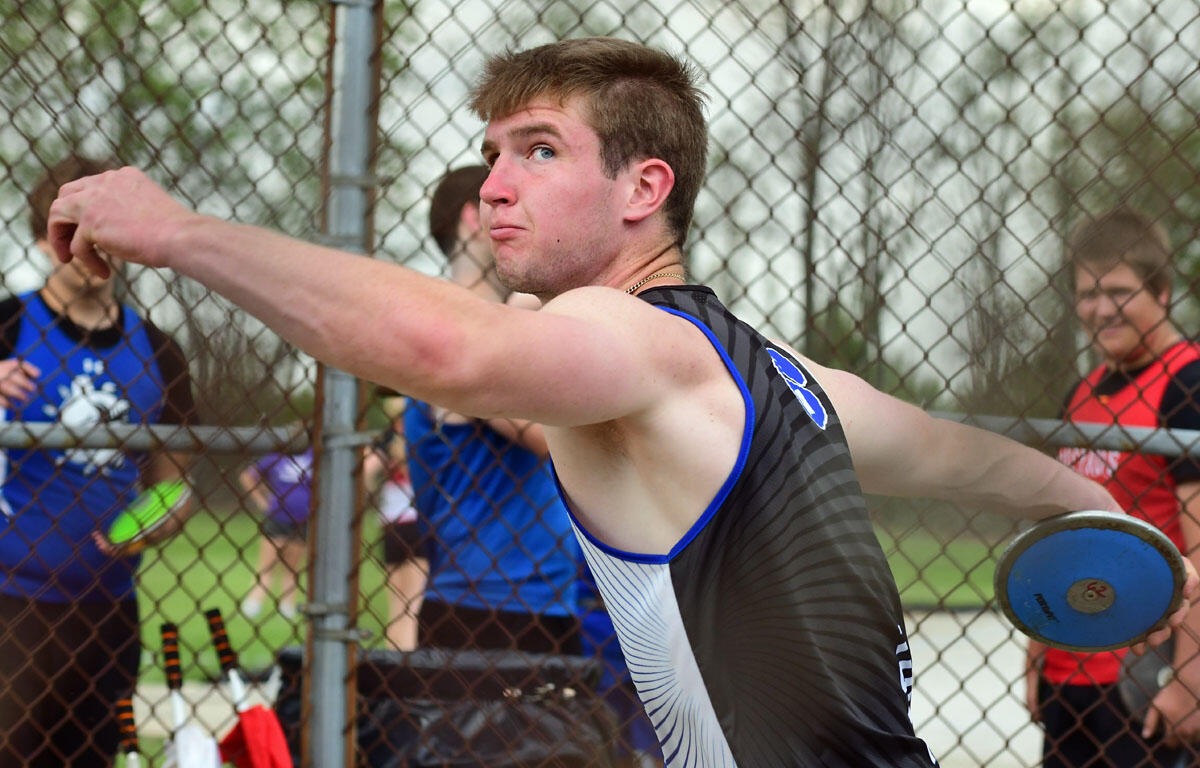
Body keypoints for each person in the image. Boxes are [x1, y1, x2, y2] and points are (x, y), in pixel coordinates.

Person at [45, 38, 1197, 766]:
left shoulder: (618, 336)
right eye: (489, 152)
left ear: (646, 187)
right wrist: (1129, 537)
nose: (496, 184)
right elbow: (969, 458)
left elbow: (445, 347)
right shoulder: (784, 371)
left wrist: (180, 232)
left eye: (538, 151)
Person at [0, 155, 195, 767]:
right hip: (12, 606)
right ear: (42, 239)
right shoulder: (7, 325)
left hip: (108, 609)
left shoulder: (160, 351)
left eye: (102, 233)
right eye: (70, 234)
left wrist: (165, 517)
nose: (88, 249)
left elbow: (175, 484)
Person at [1025, 207, 1200, 767]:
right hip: (1068, 673)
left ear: (1163, 292)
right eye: (1087, 294)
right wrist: (1036, 657)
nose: (1100, 310)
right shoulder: (1082, 395)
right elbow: (1055, 534)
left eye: (1120, 291)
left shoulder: (1187, 383)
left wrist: (1191, 682)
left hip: (1145, 676)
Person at [403, 165, 581, 654]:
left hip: (544, 602)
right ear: (471, 216)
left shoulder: (501, 326)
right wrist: (531, 306)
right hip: (486, 608)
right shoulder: (452, 331)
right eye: (504, 206)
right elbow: (550, 437)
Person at [362, 395, 426, 650]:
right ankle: (408, 666)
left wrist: (373, 496)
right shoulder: (422, 437)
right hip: (418, 522)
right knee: (413, 605)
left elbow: (366, 470)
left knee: (396, 606)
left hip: (391, 524)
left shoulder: (385, 441)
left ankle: (393, 659)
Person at [239, 446, 313, 620]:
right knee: (267, 564)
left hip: (302, 518)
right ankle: (253, 604)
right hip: (278, 517)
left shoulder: (312, 456)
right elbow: (248, 476)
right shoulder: (276, 457)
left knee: (292, 566)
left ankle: (287, 607)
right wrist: (260, 501)